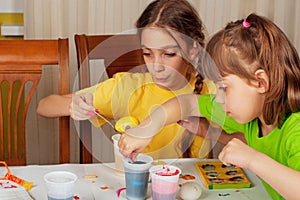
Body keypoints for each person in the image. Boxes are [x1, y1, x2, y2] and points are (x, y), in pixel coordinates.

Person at [118, 13, 300, 200]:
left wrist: (253, 159)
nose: (219, 99)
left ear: (260, 82)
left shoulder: (296, 128)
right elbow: (186, 103)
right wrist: (146, 129)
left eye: (224, 88)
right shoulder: (255, 115)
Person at [37, 0, 215, 159]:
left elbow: (241, 133)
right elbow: (45, 106)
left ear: (193, 49)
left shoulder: (212, 90)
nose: (156, 66)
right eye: (147, 53)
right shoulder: (128, 88)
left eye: (168, 54)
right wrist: (73, 105)